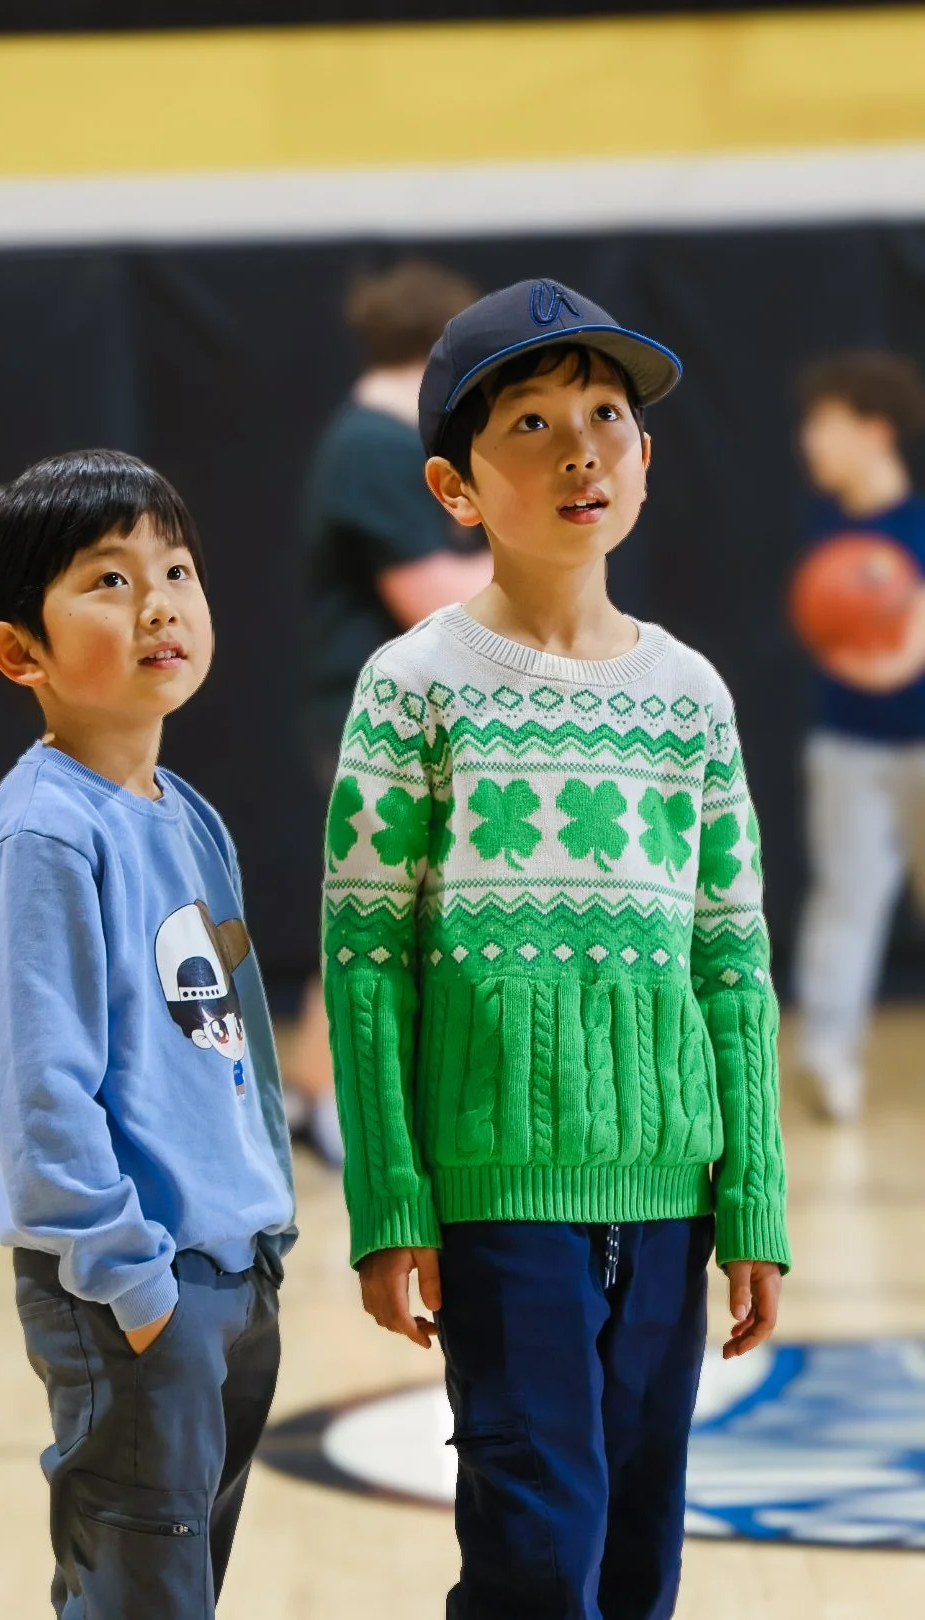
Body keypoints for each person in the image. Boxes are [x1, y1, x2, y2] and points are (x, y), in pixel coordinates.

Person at [322, 279, 790, 1619]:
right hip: (495, 1195)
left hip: (672, 1191)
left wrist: (751, 1193)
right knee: (537, 1548)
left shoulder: (691, 694)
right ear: (455, 488)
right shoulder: (413, 688)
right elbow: (366, 963)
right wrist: (391, 1202)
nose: (580, 445)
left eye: (606, 415)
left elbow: (731, 965)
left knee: (641, 1554)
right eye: (528, 423)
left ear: (646, 460)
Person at [0, 450, 296, 1620]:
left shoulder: (184, 811)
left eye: (177, 569)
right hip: (134, 1288)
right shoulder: (43, 834)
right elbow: (42, 1091)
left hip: (232, 1271)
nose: (160, 604)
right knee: (139, 1596)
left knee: (183, 1587)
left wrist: (264, 1226)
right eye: (108, 580)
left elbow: (229, 1038)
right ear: (18, 652)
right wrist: (134, 1286)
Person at [289, 259, 492, 1165]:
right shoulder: (372, 447)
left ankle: (304, 1092)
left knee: (365, 908)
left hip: (385, 717)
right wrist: (549, 564)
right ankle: (342, 1104)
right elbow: (431, 594)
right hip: (369, 723)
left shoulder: (375, 441)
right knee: (384, 921)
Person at [792, 351, 925, 1122]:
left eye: (824, 424)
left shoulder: (914, 527)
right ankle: (829, 1062)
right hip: (847, 748)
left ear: (872, 431)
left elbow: (906, 647)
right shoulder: (827, 525)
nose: (810, 440)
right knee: (846, 900)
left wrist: (896, 656)